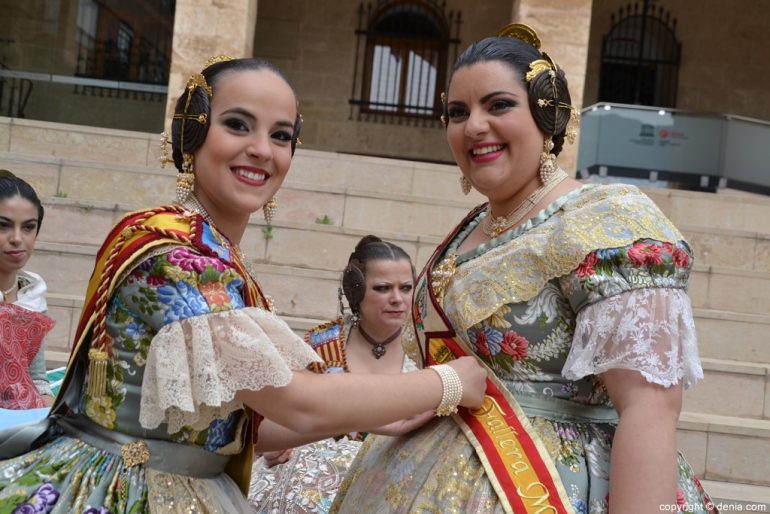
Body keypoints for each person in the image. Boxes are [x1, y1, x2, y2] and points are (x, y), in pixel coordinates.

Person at [0, 57, 487, 513]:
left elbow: (230, 424)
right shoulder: (177, 254)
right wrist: (447, 382)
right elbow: (296, 403)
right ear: (192, 132)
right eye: (237, 125)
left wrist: (375, 416)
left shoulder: (216, 253)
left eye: (280, 135)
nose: (261, 149)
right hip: (126, 492)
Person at [331, 24, 717, 514]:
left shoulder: (609, 220)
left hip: (556, 488)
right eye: (457, 112)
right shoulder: (473, 226)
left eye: (498, 105)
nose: (473, 126)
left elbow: (650, 408)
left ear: (546, 113)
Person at [250, 235, 432, 513]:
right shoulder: (319, 346)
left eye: (406, 288)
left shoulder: (427, 353)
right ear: (355, 290)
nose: (398, 299)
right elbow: (276, 417)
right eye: (383, 288)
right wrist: (275, 447)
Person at [0, 170, 56, 411]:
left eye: (28, 227)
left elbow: (37, 379)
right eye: (3, 226)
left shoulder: (32, 295)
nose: (16, 238)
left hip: (19, 422)